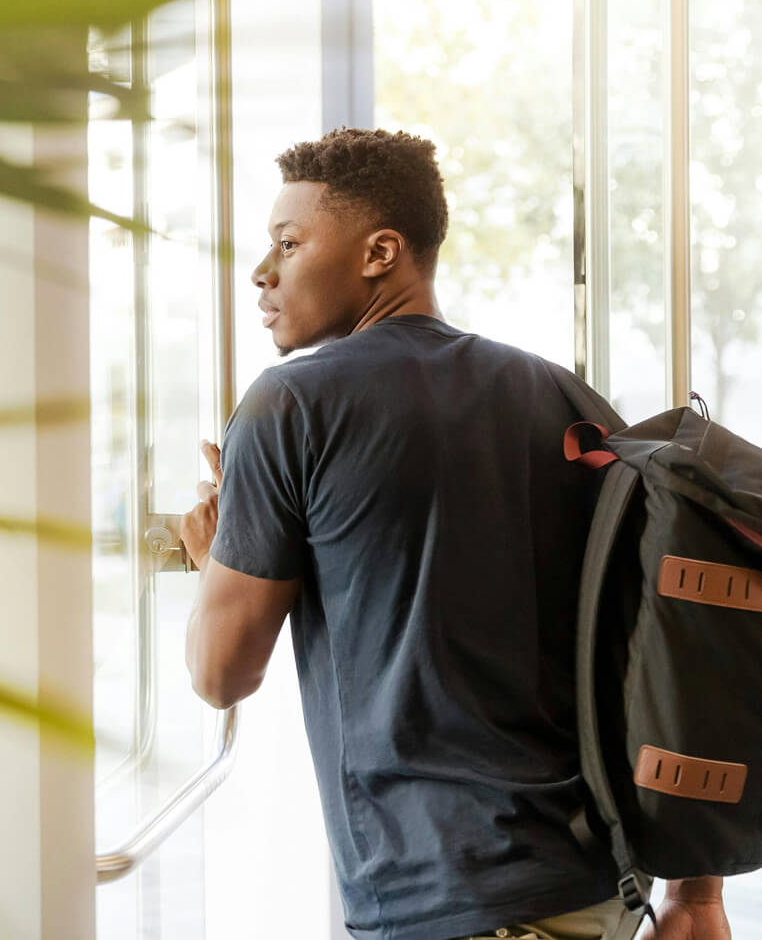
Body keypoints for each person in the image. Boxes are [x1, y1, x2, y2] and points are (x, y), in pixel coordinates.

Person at [179, 128, 731, 940]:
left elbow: (219, 674)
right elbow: (676, 637)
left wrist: (214, 561)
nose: (264, 271)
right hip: (599, 887)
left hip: (450, 898)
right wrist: (697, 895)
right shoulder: (565, 400)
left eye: (289, 244)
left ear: (380, 252)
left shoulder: (289, 407)